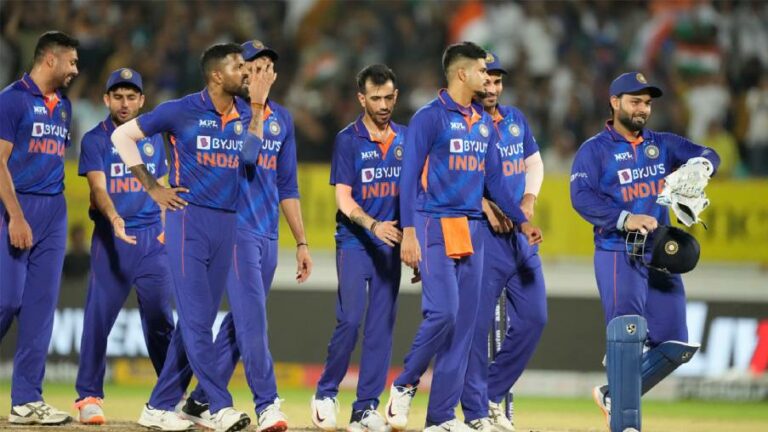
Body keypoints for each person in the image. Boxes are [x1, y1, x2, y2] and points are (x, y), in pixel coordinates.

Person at [111, 42, 273, 431]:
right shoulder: (180, 110)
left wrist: (257, 108)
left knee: (193, 325)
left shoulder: (243, 113)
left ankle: (157, 406)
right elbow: (122, 138)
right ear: (217, 75)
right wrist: (152, 187)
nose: (246, 72)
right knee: (198, 321)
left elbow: (250, 158)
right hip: (188, 221)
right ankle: (219, 406)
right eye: (239, 67)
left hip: (227, 223)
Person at [384, 41, 541, 432]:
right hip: (434, 222)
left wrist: (522, 221)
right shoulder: (429, 117)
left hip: (472, 229)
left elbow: (495, 181)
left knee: (465, 328)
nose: (487, 78)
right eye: (482, 71)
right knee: (444, 313)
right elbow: (408, 179)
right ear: (461, 73)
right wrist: (408, 232)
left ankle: (439, 417)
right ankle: (404, 385)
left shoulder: (483, 123)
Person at [569, 72, 720, 431]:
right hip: (617, 251)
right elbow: (581, 197)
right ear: (614, 102)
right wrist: (625, 218)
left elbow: (709, 153)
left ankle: (613, 394)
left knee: (676, 344)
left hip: (659, 256)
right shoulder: (594, 150)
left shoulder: (662, 144)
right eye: (635, 101)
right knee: (628, 334)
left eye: (648, 103)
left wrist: (702, 166)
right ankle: (626, 423)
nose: (643, 109)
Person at [180, 40, 312, 432]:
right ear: (242, 71)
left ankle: (199, 400)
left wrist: (301, 242)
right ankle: (267, 404)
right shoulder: (230, 114)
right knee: (252, 320)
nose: (264, 71)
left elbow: (288, 186)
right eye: (256, 66)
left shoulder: (282, 119)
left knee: (238, 328)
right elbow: (247, 158)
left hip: (268, 234)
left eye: (270, 65)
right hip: (235, 231)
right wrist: (254, 106)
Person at [74, 68, 175, 425]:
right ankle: (89, 396)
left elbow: (161, 186)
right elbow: (98, 188)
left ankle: (170, 396)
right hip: (112, 239)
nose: (124, 103)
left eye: (132, 97)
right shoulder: (95, 140)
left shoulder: (153, 139)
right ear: (106, 99)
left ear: (142, 101)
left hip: (152, 241)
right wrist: (115, 217)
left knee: (161, 319)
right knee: (99, 318)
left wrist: (166, 230)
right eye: (118, 96)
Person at [311, 64, 405, 432]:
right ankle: (325, 394)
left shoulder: (407, 138)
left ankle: (365, 409)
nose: (383, 105)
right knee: (350, 319)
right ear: (361, 99)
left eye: (388, 97)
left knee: (381, 328)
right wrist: (373, 225)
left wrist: (413, 243)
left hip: (392, 245)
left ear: (396, 96)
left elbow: (415, 195)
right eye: (376, 98)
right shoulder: (348, 140)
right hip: (355, 240)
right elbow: (344, 199)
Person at [460, 53, 547, 432]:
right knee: (477, 327)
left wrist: (529, 199)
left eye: (497, 81)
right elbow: (447, 176)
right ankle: (476, 412)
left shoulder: (515, 120)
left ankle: (490, 394)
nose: (492, 88)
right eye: (486, 80)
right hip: (482, 234)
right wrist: (482, 203)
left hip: (519, 236)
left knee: (534, 318)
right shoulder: (462, 124)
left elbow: (534, 163)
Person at [0, 30, 79, 426]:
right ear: (50, 59)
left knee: (40, 308)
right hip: (14, 207)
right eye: (72, 61)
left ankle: (27, 399)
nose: (76, 69)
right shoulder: (11, 100)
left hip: (54, 211)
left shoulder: (64, 106)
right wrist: (16, 215)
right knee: (6, 300)